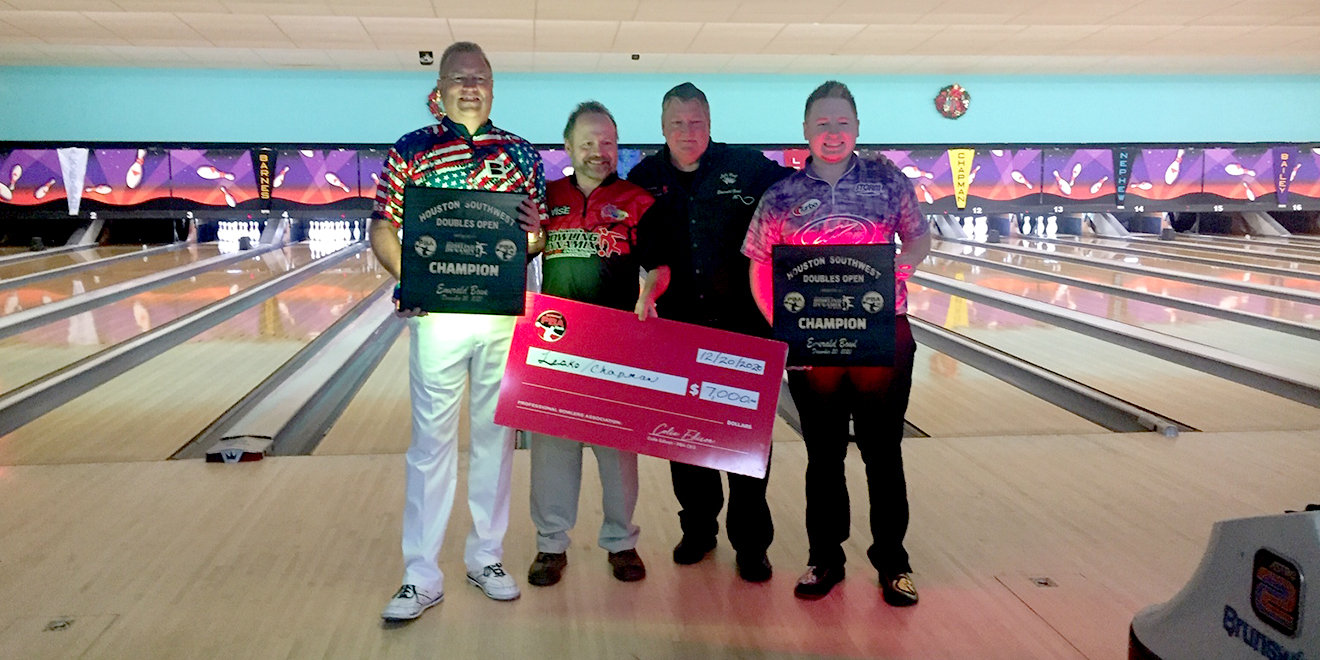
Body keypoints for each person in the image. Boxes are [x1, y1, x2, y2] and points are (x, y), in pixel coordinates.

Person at [368, 41, 548, 622]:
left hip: (500, 317)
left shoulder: (522, 154)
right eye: (459, 77)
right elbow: (382, 228)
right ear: (439, 87)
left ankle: (486, 558)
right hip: (438, 319)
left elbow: (535, 240)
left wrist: (536, 232)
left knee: (496, 440)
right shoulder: (411, 150)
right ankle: (420, 574)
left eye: (480, 78)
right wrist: (412, 281)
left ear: (492, 87)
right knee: (430, 446)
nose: (470, 86)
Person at [742, 81, 931, 604]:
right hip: (813, 342)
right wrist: (784, 328)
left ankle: (893, 562)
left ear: (857, 128)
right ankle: (825, 558)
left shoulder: (887, 180)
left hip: (882, 333)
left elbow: (918, 236)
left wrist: (905, 264)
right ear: (805, 130)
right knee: (823, 456)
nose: (832, 133)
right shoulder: (782, 195)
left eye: (842, 123)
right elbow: (758, 263)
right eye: (822, 123)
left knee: (883, 452)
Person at [629, 82, 793, 582]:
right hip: (678, 328)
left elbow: (798, 191)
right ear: (663, 127)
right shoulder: (645, 177)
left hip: (744, 328)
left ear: (709, 123)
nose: (687, 132)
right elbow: (637, 246)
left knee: (746, 443)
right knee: (684, 441)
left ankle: (751, 544)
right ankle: (698, 530)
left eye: (696, 122)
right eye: (677, 123)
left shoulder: (748, 167)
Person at [526, 101, 653, 587]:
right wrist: (530, 236)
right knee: (551, 448)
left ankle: (621, 542)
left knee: (617, 451)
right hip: (555, 341)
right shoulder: (547, 197)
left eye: (607, 142)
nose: (598, 151)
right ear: (568, 146)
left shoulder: (637, 200)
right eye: (587, 143)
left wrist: (650, 293)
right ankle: (550, 545)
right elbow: (527, 249)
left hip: (615, 344)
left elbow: (659, 263)